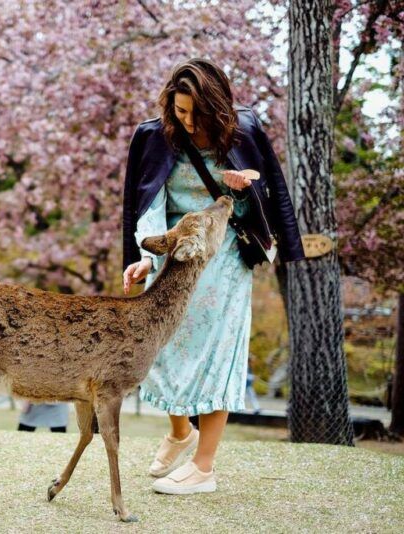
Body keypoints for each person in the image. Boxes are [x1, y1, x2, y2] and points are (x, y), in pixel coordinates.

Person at [122, 58, 305, 494]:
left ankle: (203, 467)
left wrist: (243, 190)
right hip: (172, 250)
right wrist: (147, 255)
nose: (187, 122)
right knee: (162, 349)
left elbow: (268, 195)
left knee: (216, 354)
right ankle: (179, 433)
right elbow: (147, 202)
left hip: (224, 256)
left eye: (196, 113)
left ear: (217, 107)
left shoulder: (244, 130)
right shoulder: (154, 135)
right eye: (180, 111)